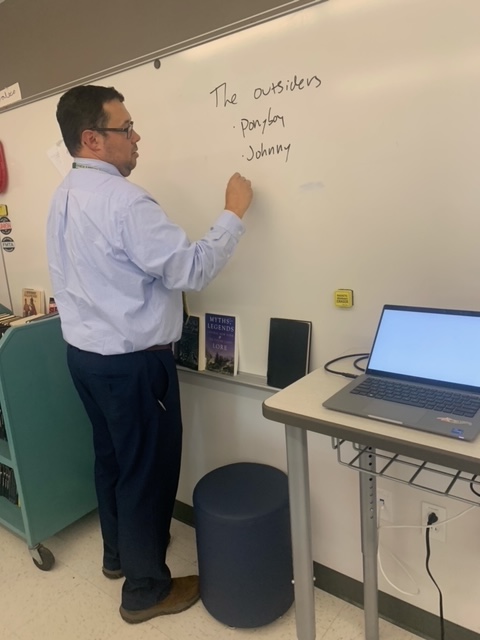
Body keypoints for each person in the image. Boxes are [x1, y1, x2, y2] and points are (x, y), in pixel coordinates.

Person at [46, 85, 253, 624]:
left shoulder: (63, 195)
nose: (137, 138)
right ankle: (144, 591)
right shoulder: (124, 202)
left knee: (113, 461)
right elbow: (191, 270)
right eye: (126, 128)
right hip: (133, 366)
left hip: (86, 358)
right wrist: (232, 214)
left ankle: (118, 556)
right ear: (93, 139)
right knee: (147, 472)